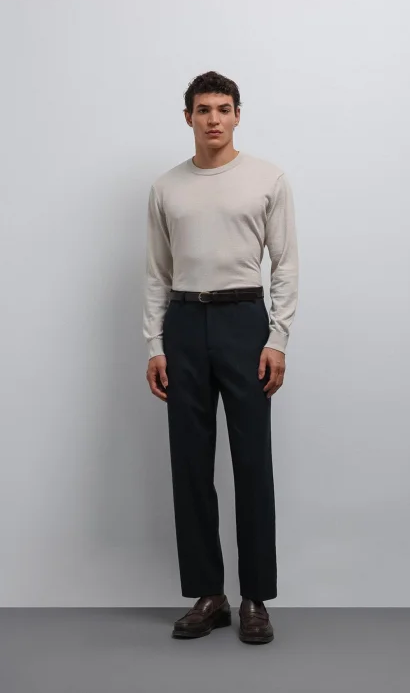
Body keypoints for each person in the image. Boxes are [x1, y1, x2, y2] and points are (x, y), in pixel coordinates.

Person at [142, 71, 299, 644]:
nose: (214, 118)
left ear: (237, 115)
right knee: (190, 463)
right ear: (188, 116)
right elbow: (157, 272)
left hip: (243, 321)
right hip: (184, 323)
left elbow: (285, 263)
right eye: (203, 109)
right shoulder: (167, 187)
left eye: (224, 108)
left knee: (252, 461)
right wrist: (155, 344)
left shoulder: (266, 179)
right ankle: (209, 595)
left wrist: (277, 338)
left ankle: (255, 596)